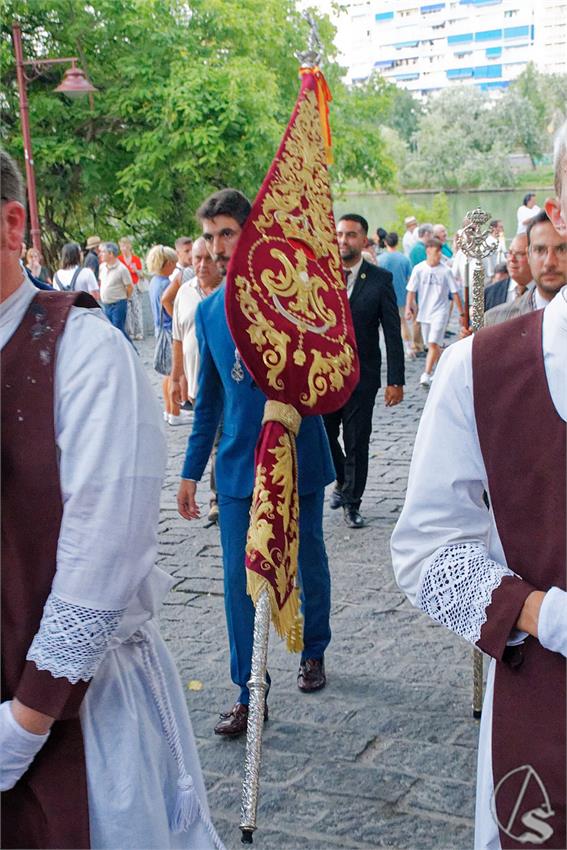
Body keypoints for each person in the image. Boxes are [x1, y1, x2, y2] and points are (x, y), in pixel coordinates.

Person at [0, 147, 225, 850]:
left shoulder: (82, 351)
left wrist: (22, 725)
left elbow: (105, 554)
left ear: (12, 225)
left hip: (72, 714)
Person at [391, 124, 567, 848]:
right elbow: (429, 549)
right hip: (549, 707)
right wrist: (540, 613)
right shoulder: (482, 369)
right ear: (560, 210)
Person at [177, 189, 334, 736]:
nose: (219, 247)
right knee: (239, 581)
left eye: (228, 233)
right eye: (211, 236)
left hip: (297, 453)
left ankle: (313, 648)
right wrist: (191, 471)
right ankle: (249, 691)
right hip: (241, 468)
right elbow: (210, 401)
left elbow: (325, 374)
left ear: (250, 233)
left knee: (306, 554)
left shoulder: (291, 298)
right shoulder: (206, 313)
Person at [323, 214, 404, 529]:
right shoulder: (320, 277)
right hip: (324, 376)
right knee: (326, 435)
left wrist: (395, 380)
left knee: (357, 439)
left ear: (364, 240)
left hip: (362, 375)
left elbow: (393, 333)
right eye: (340, 234)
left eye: (351, 235)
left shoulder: (380, 279)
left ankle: (352, 504)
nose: (344, 240)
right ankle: (342, 480)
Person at [170, 236, 222, 521]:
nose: (201, 265)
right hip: (195, 379)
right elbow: (177, 337)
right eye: (196, 259)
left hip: (225, 382)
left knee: (219, 440)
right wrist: (177, 376)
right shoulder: (185, 292)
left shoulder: (228, 293)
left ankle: (218, 497)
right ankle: (219, 494)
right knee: (211, 436)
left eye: (207, 259)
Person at [485, 209, 567, 326]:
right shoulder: (495, 321)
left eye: (562, 249)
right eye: (540, 250)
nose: (549, 262)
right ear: (529, 256)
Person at [405, 237, 465, 387]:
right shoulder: (419, 269)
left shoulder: (446, 271)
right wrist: (408, 307)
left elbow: (455, 293)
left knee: (432, 343)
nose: (439, 255)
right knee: (432, 344)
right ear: (428, 251)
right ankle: (443, 369)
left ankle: (426, 373)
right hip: (425, 312)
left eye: (440, 252)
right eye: (437, 251)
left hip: (441, 312)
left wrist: (462, 314)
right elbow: (411, 290)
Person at [147, 244, 185, 427]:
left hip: (159, 329)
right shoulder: (166, 285)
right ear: (167, 263)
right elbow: (168, 303)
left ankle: (169, 409)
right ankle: (175, 412)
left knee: (166, 373)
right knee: (174, 372)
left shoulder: (154, 282)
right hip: (169, 330)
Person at [378, 231, 419, 359]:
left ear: (385, 242)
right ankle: (408, 348)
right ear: (397, 242)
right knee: (403, 323)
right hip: (401, 295)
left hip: (383, 296)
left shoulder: (380, 259)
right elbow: (410, 279)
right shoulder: (404, 259)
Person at [484, 233, 534, 311]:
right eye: (510, 253)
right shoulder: (489, 294)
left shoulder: (549, 294)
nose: (512, 259)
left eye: (519, 254)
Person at [98, 241, 133, 341]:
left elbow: (130, 287)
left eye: (103, 252)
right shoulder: (102, 267)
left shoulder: (122, 269)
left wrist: (124, 298)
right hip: (106, 304)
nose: (101, 254)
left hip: (118, 304)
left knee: (118, 329)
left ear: (111, 254)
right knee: (111, 329)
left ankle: (132, 350)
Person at [118, 236, 144, 340]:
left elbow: (142, 275)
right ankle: (130, 332)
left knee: (137, 309)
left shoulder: (136, 259)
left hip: (135, 286)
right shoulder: (119, 259)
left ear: (130, 246)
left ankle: (139, 332)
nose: (123, 248)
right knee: (127, 310)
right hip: (124, 287)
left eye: (125, 245)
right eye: (121, 246)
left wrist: (136, 270)